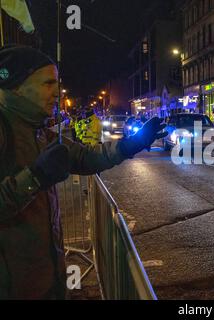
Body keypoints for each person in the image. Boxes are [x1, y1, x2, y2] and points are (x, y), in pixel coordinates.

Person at [0, 45, 167, 299]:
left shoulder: (41, 132)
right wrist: (35, 178)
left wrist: (131, 144)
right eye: (48, 83)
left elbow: (86, 158)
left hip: (49, 282)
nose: (57, 92)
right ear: (17, 86)